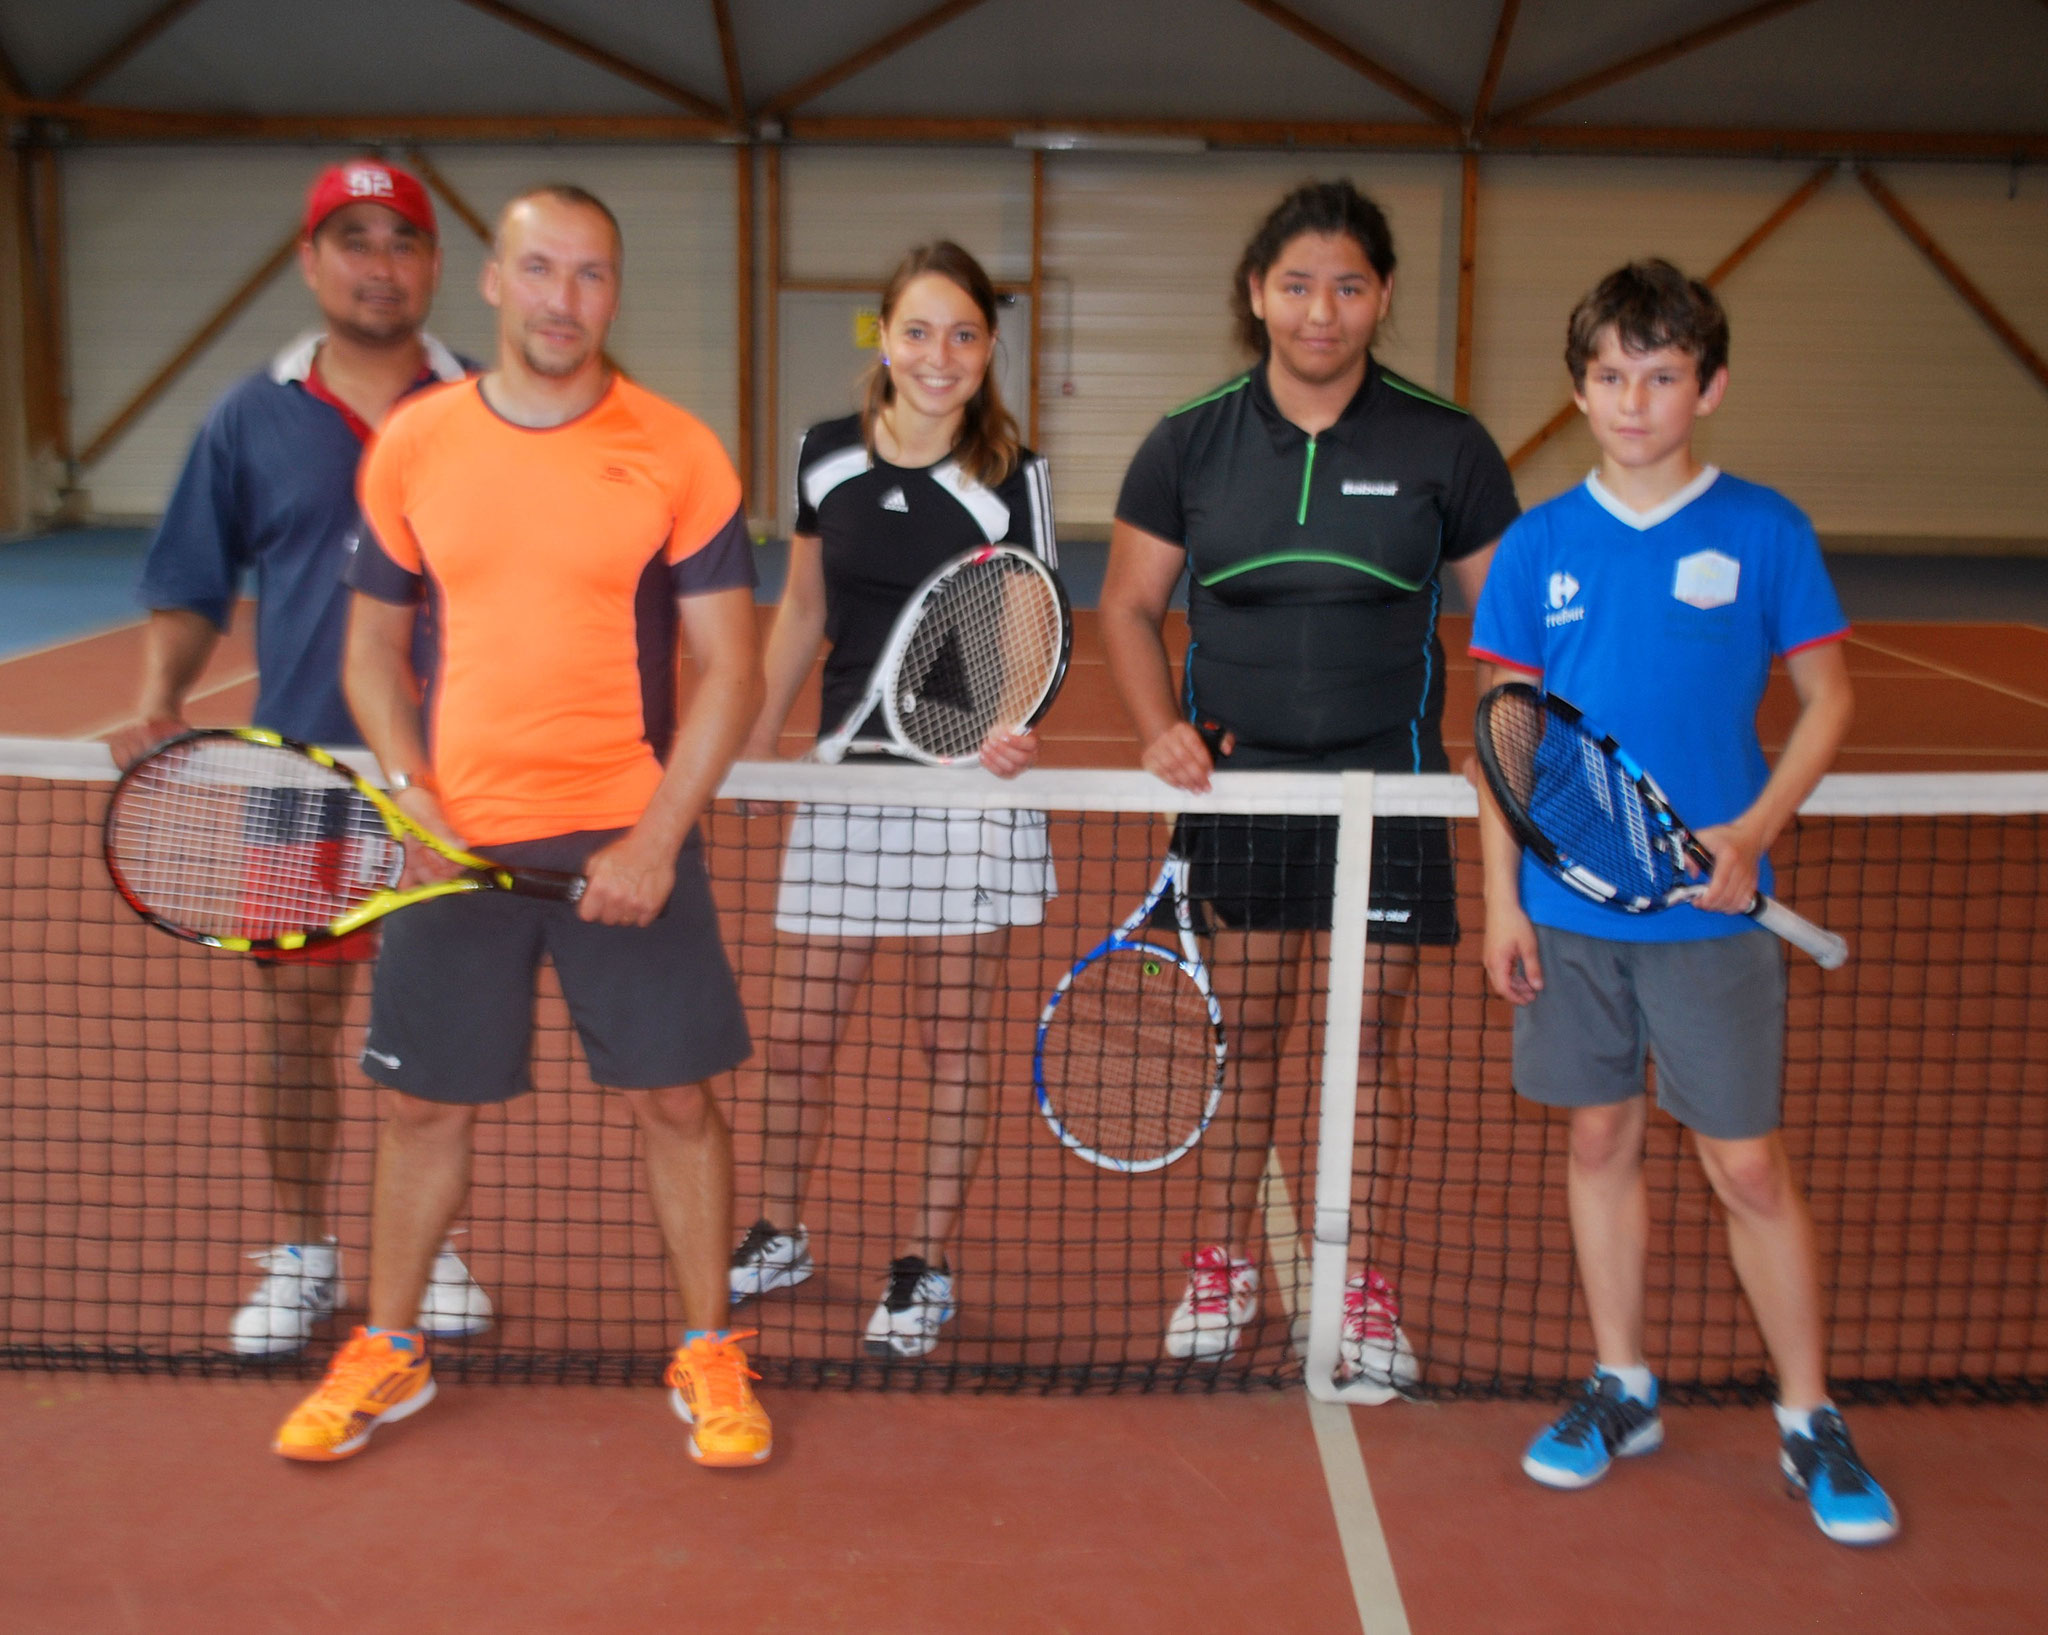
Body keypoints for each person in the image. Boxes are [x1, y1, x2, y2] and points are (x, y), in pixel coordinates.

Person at [272, 184, 770, 1466]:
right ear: (492, 282)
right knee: (421, 1114)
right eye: (540, 270)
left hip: (625, 835)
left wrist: (656, 838)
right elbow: (373, 653)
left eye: (590, 275)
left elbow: (732, 669)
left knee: (677, 1105)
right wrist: (414, 797)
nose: (564, 299)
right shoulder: (417, 446)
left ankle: (708, 1348)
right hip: (453, 849)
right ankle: (389, 1347)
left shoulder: (676, 450)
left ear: (614, 292)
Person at [1470, 260, 1895, 1545]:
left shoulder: (1763, 530)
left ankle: (1807, 1414)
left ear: (1707, 387)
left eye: (1660, 375)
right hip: (1568, 914)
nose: (1633, 400)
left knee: (1745, 1166)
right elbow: (1501, 738)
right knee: (1596, 1143)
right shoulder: (1538, 543)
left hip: (1715, 916)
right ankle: (1621, 1384)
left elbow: (1827, 700)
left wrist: (1753, 831)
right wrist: (1500, 904)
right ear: (1579, 389)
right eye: (1609, 375)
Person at [1101, 180, 1519, 1374]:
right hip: (1245, 795)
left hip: (1386, 790)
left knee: (1368, 1043)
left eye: (1345, 285)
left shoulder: (1448, 445)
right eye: (1296, 285)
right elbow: (1129, 608)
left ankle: (1366, 1290)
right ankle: (1223, 1263)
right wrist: (1151, 730)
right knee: (1254, 1031)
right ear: (1255, 295)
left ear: (1380, 296)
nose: (1319, 311)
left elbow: (1507, 636)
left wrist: (1500, 756)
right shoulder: (1188, 441)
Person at [108, 158, 491, 1357]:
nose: (380, 265)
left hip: (444, 777)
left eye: (402, 241)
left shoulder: (489, 407)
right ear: (310, 260)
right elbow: (191, 573)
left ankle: (424, 1249)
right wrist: (159, 696)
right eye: (354, 239)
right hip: (297, 779)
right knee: (297, 1022)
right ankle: (306, 1249)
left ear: (435, 267)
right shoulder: (247, 416)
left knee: (436, 1029)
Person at [727, 241, 1056, 1359]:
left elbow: (1030, 616)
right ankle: (778, 1227)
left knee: (950, 1042)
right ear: (882, 334)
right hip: (843, 777)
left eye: (963, 334)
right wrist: (764, 740)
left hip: (960, 790)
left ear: (989, 348)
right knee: (797, 1036)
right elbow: (801, 608)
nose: (939, 355)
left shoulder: (1013, 474)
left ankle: (923, 1263)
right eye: (917, 330)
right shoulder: (824, 456)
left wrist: (1011, 727)